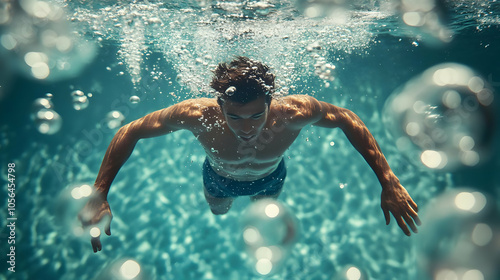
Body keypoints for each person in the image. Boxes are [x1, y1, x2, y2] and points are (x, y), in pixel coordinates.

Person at [79, 56, 421, 253]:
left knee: (264, 211)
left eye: (257, 115)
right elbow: (130, 130)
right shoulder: (197, 115)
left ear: (271, 103)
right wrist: (100, 194)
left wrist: (388, 181)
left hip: (272, 176)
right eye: (235, 117)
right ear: (220, 105)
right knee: (219, 211)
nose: (246, 128)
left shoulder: (294, 112)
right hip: (218, 179)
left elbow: (347, 118)